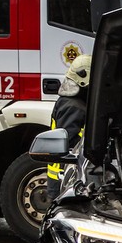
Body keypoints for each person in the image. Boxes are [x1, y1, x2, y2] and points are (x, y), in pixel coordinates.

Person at [47, 54, 90, 200]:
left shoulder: (71, 102)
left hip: (65, 175)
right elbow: (70, 144)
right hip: (65, 178)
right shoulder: (74, 107)